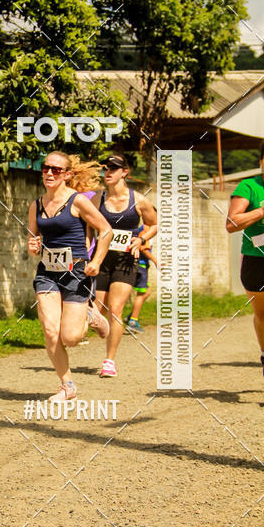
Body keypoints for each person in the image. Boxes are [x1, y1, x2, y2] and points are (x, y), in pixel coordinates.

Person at [27, 152, 113, 401]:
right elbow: (33, 240)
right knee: (51, 330)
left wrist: (96, 261)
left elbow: (105, 230)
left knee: (71, 337)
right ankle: (67, 386)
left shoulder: (77, 202)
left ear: (67, 174)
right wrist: (32, 247)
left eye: (56, 169)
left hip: (76, 272)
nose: (49, 173)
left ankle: (90, 314)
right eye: (45, 168)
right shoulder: (37, 205)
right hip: (47, 273)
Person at [92, 153, 158, 378]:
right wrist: (87, 250)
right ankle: (94, 330)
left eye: (113, 168)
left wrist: (141, 239)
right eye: (105, 168)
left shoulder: (138, 200)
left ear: (124, 172)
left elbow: (154, 224)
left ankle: (109, 361)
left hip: (126, 260)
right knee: (95, 309)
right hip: (101, 260)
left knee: (116, 309)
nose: (107, 172)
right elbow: (86, 224)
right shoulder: (97, 200)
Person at [226, 141, 264, 379]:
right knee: (262, 314)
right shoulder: (249, 187)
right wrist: (261, 211)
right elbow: (232, 224)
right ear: (261, 161)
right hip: (256, 261)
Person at [124, 235, 157, 333]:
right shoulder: (146, 231)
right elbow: (142, 247)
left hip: (140, 264)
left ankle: (130, 317)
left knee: (147, 291)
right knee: (142, 294)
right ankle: (133, 323)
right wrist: (155, 260)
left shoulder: (147, 230)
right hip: (140, 264)